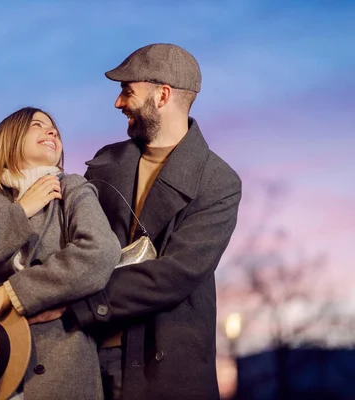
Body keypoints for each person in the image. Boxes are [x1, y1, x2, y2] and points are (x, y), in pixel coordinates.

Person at [26, 43, 242, 399]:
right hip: (87, 357)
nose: (118, 103)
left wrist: (75, 305)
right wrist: (2, 276)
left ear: (162, 95)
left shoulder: (218, 182)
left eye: (127, 91)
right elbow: (61, 240)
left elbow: (176, 274)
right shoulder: (105, 162)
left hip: (166, 371)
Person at [0, 107, 122, 399]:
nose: (52, 132)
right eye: (38, 125)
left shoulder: (73, 188)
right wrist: (21, 212)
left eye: (55, 130)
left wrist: (14, 292)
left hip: (60, 361)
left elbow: (99, 251)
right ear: (9, 139)